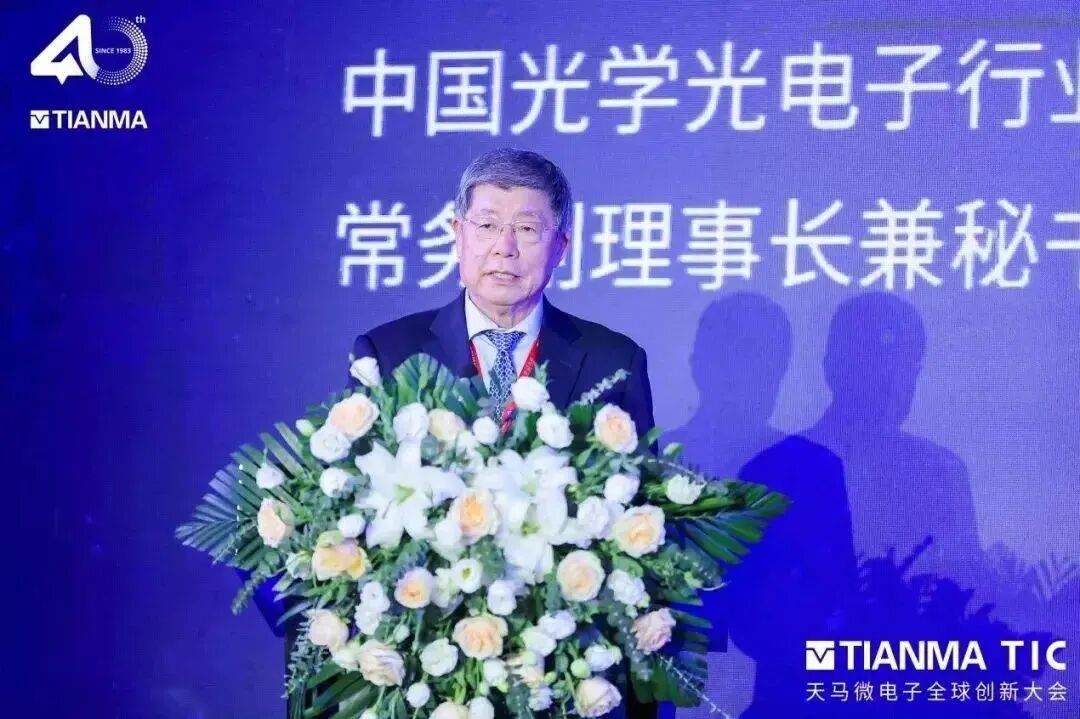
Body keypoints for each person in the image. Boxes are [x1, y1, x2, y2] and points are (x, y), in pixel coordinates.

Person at [280, 148, 658, 718]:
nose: (504, 248)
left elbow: (641, 506)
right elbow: (346, 505)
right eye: (486, 226)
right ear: (457, 234)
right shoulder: (389, 351)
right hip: (427, 666)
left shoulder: (613, 359)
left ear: (562, 246)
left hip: (556, 672)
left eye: (527, 229)